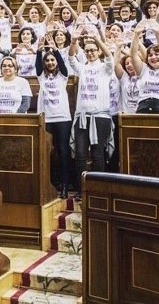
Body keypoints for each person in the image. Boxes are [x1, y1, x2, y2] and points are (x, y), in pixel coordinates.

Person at [69, 28, 113, 191]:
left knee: (98, 154)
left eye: (93, 50)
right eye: (87, 51)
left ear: (98, 51)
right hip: (82, 117)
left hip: (100, 117)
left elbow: (109, 57)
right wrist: (73, 41)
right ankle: (82, 190)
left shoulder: (105, 68)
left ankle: (98, 189)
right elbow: (71, 58)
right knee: (80, 155)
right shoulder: (83, 68)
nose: (90, 53)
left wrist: (97, 38)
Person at [35, 42, 72, 198]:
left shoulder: (63, 75)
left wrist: (55, 50)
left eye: (52, 60)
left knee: (63, 151)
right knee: (48, 153)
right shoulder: (42, 76)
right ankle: (51, 183)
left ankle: (64, 185)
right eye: (47, 60)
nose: (50, 63)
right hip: (47, 118)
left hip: (62, 118)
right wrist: (38, 51)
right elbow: (37, 65)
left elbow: (63, 65)